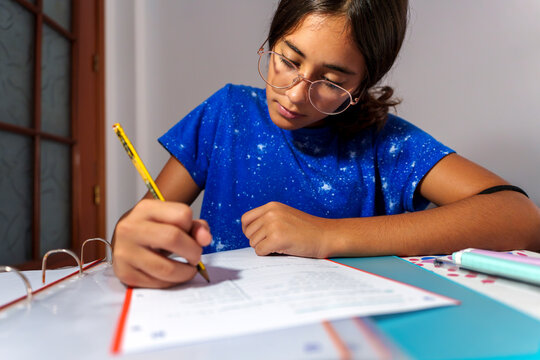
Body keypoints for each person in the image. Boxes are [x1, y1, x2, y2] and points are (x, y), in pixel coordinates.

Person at [112, 0, 540, 288]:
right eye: (287, 60)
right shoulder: (226, 113)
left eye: (332, 82)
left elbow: (519, 217)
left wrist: (326, 235)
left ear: (363, 84)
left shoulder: (385, 144)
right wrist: (129, 240)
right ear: (271, 42)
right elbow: (141, 223)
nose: (296, 94)